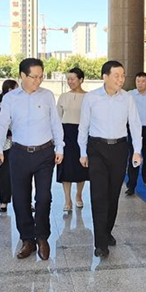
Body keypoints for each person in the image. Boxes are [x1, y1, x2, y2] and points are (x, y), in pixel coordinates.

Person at [0, 58, 64, 261]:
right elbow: (1, 125)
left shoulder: (47, 95)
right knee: (21, 199)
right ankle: (27, 240)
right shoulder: (10, 99)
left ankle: (42, 237)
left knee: (44, 197)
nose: (38, 81)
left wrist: (60, 147)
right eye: (34, 77)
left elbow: (55, 123)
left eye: (41, 77)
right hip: (19, 153)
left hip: (44, 153)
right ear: (22, 76)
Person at [78, 60, 142, 258]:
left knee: (113, 194)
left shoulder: (127, 98)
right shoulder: (91, 98)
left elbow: (135, 124)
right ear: (105, 77)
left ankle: (106, 231)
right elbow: (83, 126)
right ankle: (100, 243)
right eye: (117, 76)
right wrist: (82, 152)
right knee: (98, 195)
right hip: (96, 148)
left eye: (123, 75)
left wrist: (137, 151)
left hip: (119, 149)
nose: (121, 79)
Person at [56, 67, 89, 212]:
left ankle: (79, 195)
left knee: (81, 166)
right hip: (66, 134)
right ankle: (67, 199)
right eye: (68, 79)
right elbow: (57, 117)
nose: (70, 82)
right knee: (66, 167)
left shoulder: (89, 97)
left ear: (81, 80)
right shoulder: (63, 96)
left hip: (83, 133)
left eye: (73, 79)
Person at [0, 79, 18, 213]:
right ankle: (4, 201)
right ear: (9, 90)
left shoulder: (21, 104)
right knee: (4, 172)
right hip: (6, 143)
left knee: (23, 172)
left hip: (20, 142)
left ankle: (25, 200)